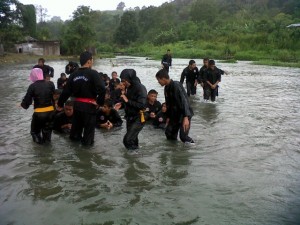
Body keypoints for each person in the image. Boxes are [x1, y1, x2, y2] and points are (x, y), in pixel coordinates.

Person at [57, 51, 106, 146]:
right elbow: (102, 89)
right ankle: (86, 156)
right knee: (88, 136)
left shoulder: (73, 75)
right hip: (89, 106)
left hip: (77, 106)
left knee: (75, 133)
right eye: (92, 60)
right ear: (88, 61)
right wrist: (99, 102)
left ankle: (75, 153)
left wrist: (60, 104)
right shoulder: (93, 73)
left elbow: (66, 91)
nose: (92, 62)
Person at [156, 69, 194, 144]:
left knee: (183, 137)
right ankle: (174, 151)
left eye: (158, 80)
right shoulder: (166, 88)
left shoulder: (176, 85)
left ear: (163, 78)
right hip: (175, 115)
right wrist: (168, 117)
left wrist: (186, 117)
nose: (158, 82)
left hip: (184, 114)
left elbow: (184, 101)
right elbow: (168, 104)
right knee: (169, 133)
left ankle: (194, 146)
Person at [21, 68, 55, 144]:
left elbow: (27, 101)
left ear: (33, 75)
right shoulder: (51, 84)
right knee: (47, 135)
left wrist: (23, 105)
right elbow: (54, 97)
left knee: (35, 132)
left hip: (39, 114)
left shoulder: (32, 86)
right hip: (50, 113)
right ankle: (47, 151)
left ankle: (39, 153)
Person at [115, 69, 147, 150]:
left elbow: (142, 105)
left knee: (127, 140)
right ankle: (136, 155)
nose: (122, 83)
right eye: (122, 80)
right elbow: (129, 102)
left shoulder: (141, 88)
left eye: (124, 81)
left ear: (130, 79)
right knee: (133, 139)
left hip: (139, 117)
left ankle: (133, 156)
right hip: (130, 116)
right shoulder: (129, 88)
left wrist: (127, 100)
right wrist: (122, 104)